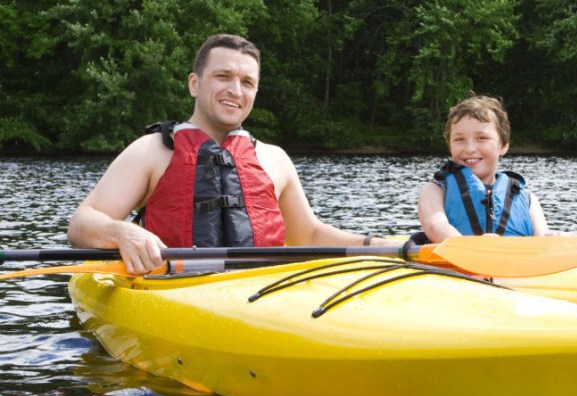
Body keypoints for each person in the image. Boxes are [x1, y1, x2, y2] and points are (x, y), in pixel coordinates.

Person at [67, 34, 396, 275]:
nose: (235, 90)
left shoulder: (274, 159)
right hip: (172, 288)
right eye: (223, 76)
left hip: (259, 289)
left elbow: (308, 234)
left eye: (247, 82)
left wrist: (372, 244)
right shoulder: (152, 151)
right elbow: (82, 223)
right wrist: (123, 232)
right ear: (195, 84)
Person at [416, 95, 555, 244]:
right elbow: (435, 225)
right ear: (450, 146)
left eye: (481, 138)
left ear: (503, 146)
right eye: (459, 139)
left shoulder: (527, 199)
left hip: (513, 263)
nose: (470, 149)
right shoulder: (435, 190)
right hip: (455, 262)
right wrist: (477, 247)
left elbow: (542, 239)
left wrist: (554, 239)